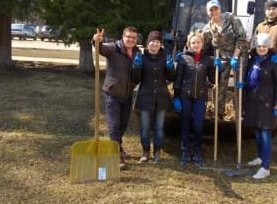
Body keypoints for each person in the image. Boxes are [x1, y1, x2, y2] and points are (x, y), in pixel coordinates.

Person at [92, 26, 141, 170]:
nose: (131, 39)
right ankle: (116, 154)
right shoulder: (114, 48)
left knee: (123, 124)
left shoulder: (138, 52)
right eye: (128, 37)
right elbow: (101, 49)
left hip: (128, 93)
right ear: (123, 36)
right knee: (114, 125)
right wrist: (97, 41)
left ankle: (118, 146)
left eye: (134, 37)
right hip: (113, 93)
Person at [173, 32, 222, 166]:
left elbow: (213, 79)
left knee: (198, 125)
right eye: (193, 43)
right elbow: (178, 80)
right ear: (189, 44)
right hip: (185, 96)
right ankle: (185, 152)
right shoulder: (183, 58)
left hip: (200, 96)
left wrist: (218, 68)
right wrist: (176, 97)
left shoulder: (207, 60)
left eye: (198, 42)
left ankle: (197, 151)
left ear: (202, 44)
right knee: (185, 124)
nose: (196, 45)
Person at [242, 33, 277, 179]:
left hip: (267, 102)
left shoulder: (274, 61)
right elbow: (248, 74)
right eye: (259, 46)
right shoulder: (252, 58)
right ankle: (260, 157)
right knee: (258, 132)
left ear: (268, 47)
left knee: (265, 134)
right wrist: (243, 83)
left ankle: (265, 167)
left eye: (264, 46)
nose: (261, 48)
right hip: (253, 101)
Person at [132, 31, 175, 163]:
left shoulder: (164, 57)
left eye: (157, 42)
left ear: (160, 44)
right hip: (145, 97)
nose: (155, 44)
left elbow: (171, 78)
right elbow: (136, 79)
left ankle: (157, 152)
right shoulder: (142, 57)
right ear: (148, 43)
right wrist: (136, 67)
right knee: (145, 127)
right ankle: (145, 151)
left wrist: (170, 67)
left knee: (159, 127)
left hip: (161, 98)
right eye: (152, 41)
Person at [201, 0, 247, 119]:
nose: (214, 11)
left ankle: (240, 113)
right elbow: (203, 47)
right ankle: (219, 113)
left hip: (239, 56)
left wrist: (236, 56)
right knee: (220, 86)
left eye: (216, 8)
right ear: (207, 12)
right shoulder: (207, 29)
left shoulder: (232, 19)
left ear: (220, 9)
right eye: (211, 10)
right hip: (223, 59)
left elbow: (241, 38)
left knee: (239, 85)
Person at [251, 0, 277, 98]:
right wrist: (253, 55)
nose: (271, 11)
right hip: (263, 63)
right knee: (263, 89)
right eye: (268, 9)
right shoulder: (260, 26)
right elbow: (254, 42)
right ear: (265, 11)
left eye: (274, 8)